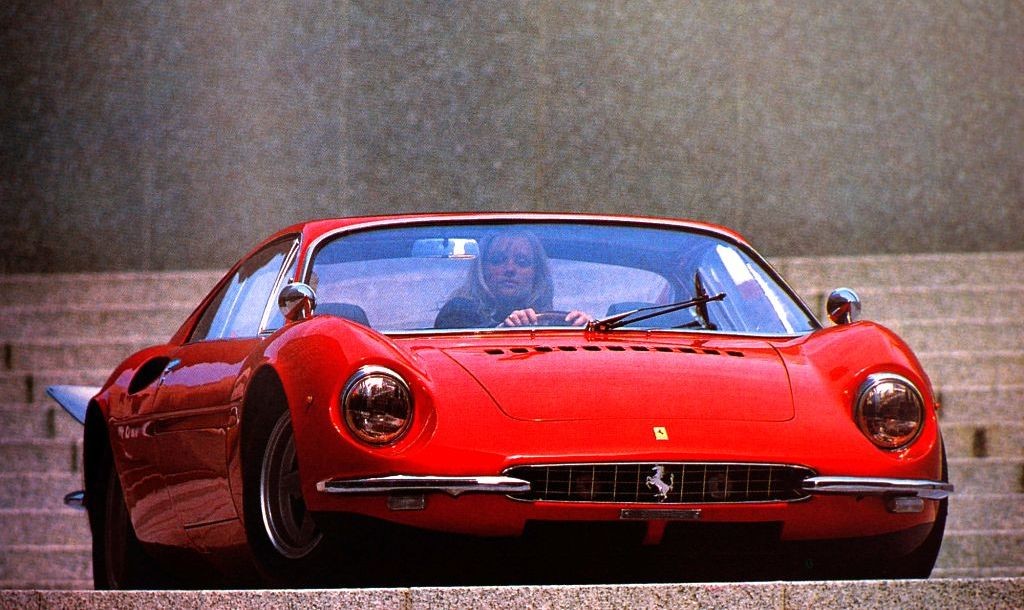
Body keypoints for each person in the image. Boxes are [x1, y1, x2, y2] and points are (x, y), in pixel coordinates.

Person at [434, 231, 592, 328]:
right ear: (482, 269)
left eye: (522, 262)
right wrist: (503, 330)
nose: (510, 269)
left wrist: (584, 326)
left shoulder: (550, 323)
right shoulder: (457, 311)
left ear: (536, 275)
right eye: (498, 260)